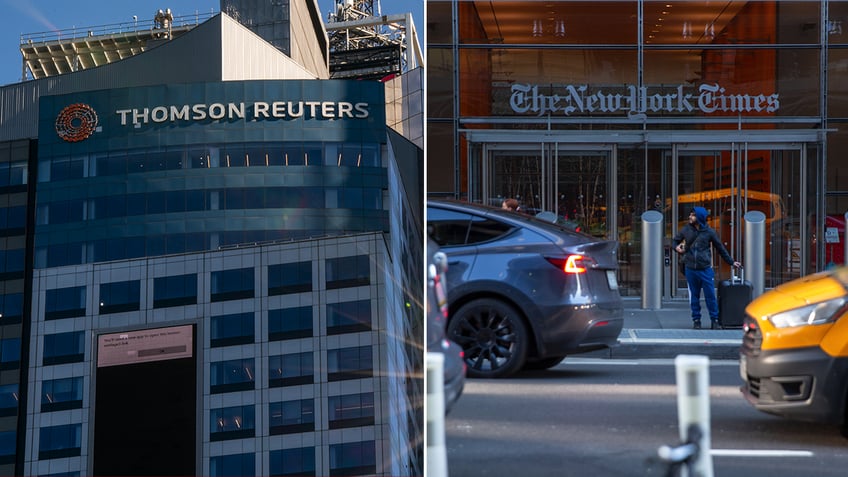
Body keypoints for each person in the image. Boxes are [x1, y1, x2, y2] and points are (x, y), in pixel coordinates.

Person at [672, 206, 741, 330]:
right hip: (690, 268)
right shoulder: (686, 229)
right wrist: (676, 247)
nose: (690, 217)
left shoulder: (709, 232)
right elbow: (674, 241)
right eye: (690, 214)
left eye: (693, 215)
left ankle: (714, 320)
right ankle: (696, 320)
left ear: (699, 218)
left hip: (705, 269)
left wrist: (731, 262)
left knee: (710, 296)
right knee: (694, 296)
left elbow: (720, 248)